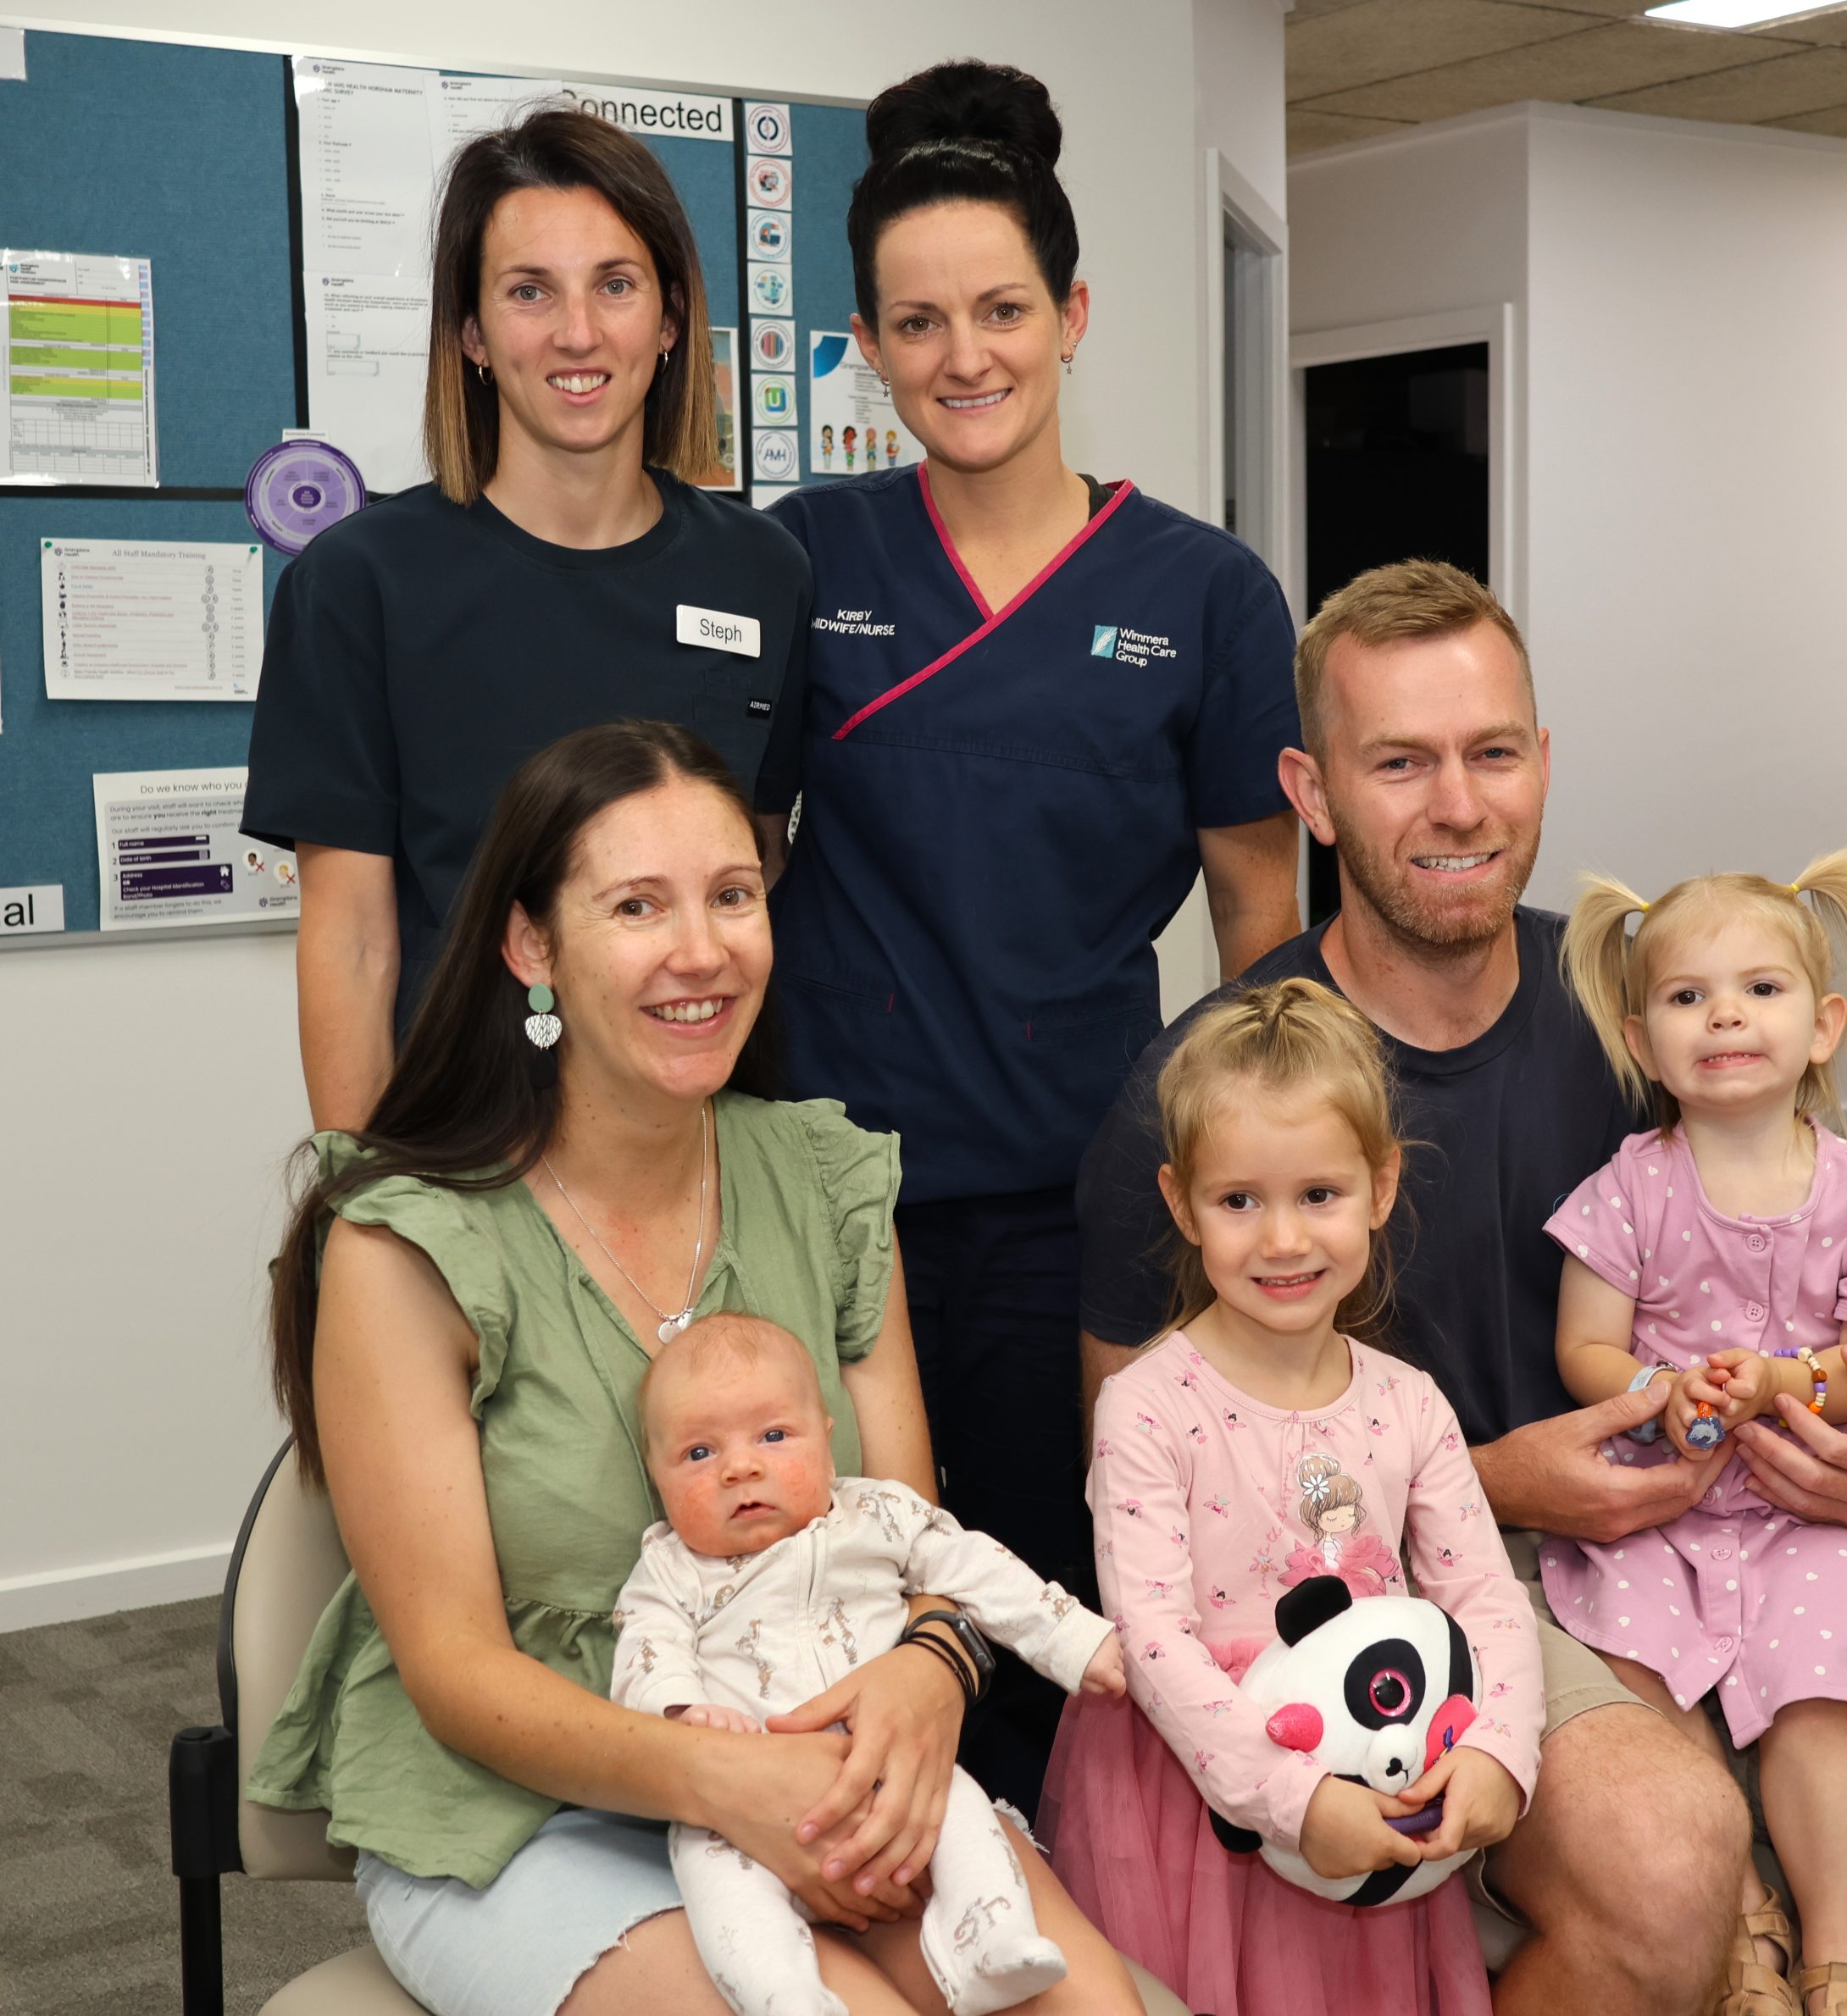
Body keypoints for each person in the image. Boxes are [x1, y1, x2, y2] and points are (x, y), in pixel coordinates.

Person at [1076, 560, 1847, 2016]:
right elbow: (1139, 1468)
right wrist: (1502, 1485)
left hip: (1731, 1534)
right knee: (1665, 1853)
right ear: (1313, 793)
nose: (1457, 805)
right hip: (1426, 1582)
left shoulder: (1648, 1016)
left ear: (1544, 764)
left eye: (1492, 753)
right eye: (1398, 763)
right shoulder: (1214, 1093)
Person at [248, 720, 1139, 2016]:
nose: (703, 951)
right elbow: (457, 1677)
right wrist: (736, 1788)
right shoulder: (407, 1246)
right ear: (530, 945)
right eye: (637, 906)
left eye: (733, 896)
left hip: (816, 1740)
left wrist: (931, 1670)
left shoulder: (828, 1180)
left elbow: (908, 1532)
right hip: (522, 1809)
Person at [763, 59, 1301, 1814]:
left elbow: (1256, 916)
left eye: (1001, 309)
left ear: (1070, 314)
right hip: (820, 1191)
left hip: (1077, 1187)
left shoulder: (1199, 594)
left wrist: (1256, 1182)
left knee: (1053, 1620)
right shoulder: (803, 557)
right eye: (915, 323)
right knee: (829, 1614)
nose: (963, 355)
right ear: (864, 341)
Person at [243, 108, 811, 1132]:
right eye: (528, 291)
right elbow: (353, 941)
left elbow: (751, 873)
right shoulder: (359, 585)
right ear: (470, 333)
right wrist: (367, 1211)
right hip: (465, 1155)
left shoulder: (763, 571)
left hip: (702, 1148)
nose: (577, 333)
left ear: (671, 320)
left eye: (616, 285)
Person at [1043, 978, 1540, 2016]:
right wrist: (1291, 1798)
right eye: (1239, 1201)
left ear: (1381, 1184)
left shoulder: (1408, 1403)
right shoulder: (1143, 1407)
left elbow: (1485, 1599)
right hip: (1198, 1801)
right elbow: (1154, 1636)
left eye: (1318, 1194)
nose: (1281, 1241)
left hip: (1379, 1774)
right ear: (1181, 1201)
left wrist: (1500, 1748)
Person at [1545, 845, 1847, 2016]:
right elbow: (1584, 1344)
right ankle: (1742, 1919)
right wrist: (1660, 1389)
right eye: (1688, 997)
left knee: (1810, 1691)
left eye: (1762, 990)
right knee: (1638, 1664)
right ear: (1644, 1045)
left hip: (1802, 1508)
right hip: (1665, 1500)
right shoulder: (1628, 1187)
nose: (1726, 1014)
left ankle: (1840, 1956)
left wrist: (1782, 1380)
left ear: (1824, 1025)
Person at [612, 1311, 1129, 2016]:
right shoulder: (671, 1570)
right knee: (722, 1895)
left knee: (963, 1815)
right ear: (656, 1476)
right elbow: (646, 1648)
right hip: (744, 1804)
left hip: (893, 1765)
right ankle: (785, 1996)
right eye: (700, 1454)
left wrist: (1076, 1639)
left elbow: (980, 1570)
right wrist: (682, 1715)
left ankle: (992, 1941)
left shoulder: (877, 1516)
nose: (741, 1466)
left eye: (773, 1436)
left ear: (827, 1443)